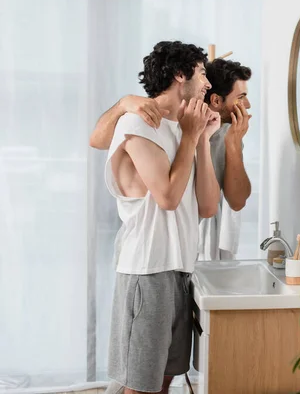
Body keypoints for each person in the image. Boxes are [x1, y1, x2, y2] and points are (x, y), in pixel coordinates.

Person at [102, 40, 220, 394]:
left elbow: (208, 207)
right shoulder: (137, 124)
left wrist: (201, 139)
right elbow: (167, 197)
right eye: (201, 72)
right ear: (180, 74)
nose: (208, 83)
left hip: (180, 268)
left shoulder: (181, 129)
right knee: (139, 386)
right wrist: (189, 136)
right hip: (147, 269)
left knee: (163, 381)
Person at [90, 58, 253, 260]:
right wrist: (124, 104)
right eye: (241, 97)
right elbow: (98, 140)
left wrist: (234, 143)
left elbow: (236, 201)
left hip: (189, 249)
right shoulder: (171, 121)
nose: (247, 105)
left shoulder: (226, 134)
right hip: (153, 253)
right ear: (217, 101)